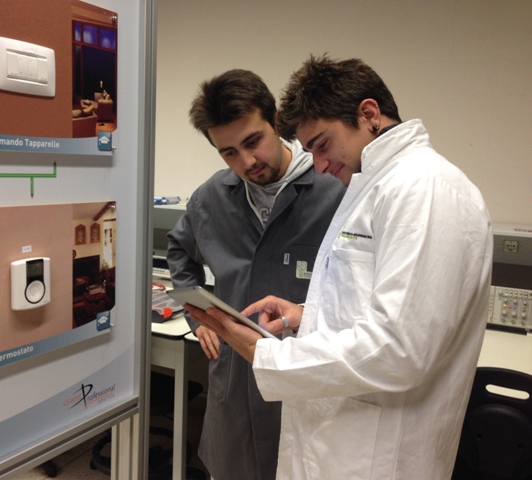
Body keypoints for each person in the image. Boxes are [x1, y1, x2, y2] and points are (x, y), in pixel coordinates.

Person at [184, 55, 493, 479]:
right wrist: (308, 315)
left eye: (323, 145)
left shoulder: (424, 189)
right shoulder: (376, 185)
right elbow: (382, 306)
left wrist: (265, 353)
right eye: (311, 150)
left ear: (368, 114)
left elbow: (399, 350)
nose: (320, 165)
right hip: (340, 443)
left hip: (376, 456)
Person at [166, 69, 345, 480]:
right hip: (235, 379)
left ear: (276, 121)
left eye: (253, 141)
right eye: (229, 152)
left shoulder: (334, 189)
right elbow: (180, 251)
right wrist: (199, 316)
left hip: (307, 374)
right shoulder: (210, 199)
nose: (246, 162)